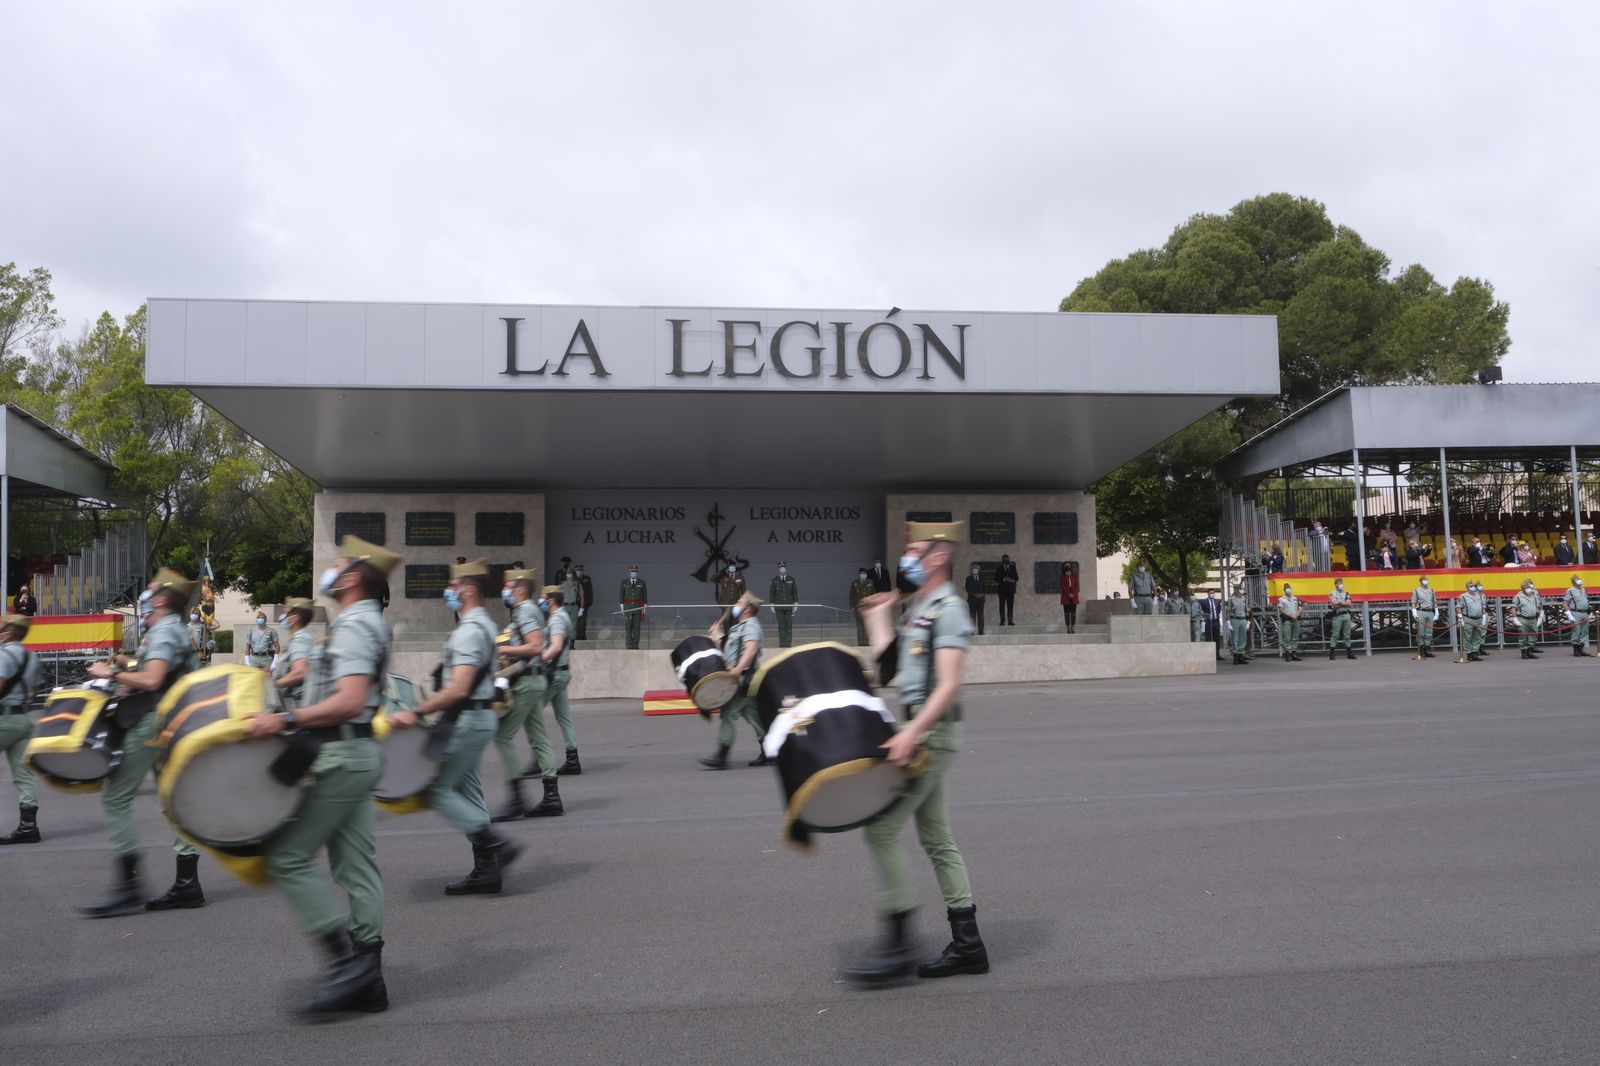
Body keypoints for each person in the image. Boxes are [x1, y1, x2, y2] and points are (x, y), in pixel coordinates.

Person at [243, 535, 397, 1014]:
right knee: (356, 867)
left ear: (352, 577)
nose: (330, 571)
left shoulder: (353, 626)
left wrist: (284, 720)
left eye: (338, 565)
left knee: (287, 858)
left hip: (341, 755)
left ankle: (346, 966)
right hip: (355, 752)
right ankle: (369, 978)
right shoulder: (369, 621)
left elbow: (350, 700)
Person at [847, 521, 988, 984]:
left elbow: (947, 686)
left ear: (938, 557)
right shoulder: (920, 609)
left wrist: (912, 735)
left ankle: (899, 946)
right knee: (937, 838)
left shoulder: (950, 610)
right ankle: (968, 945)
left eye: (915, 551)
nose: (906, 559)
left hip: (931, 733)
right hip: (919, 727)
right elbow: (892, 668)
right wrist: (877, 617)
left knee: (881, 828)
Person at [391, 559, 522, 896]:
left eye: (453, 585)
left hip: (465, 718)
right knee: (469, 791)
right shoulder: (485, 625)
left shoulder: (469, 631)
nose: (447, 591)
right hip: (475, 716)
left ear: (469, 589)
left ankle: (496, 844)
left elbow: (459, 688)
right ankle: (487, 871)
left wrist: (416, 711)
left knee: (435, 789)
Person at [80, 568, 206, 917]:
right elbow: (158, 671)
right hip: (171, 720)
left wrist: (111, 672)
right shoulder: (169, 629)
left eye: (150, 590)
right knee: (174, 799)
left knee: (116, 796)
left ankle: (128, 885)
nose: (144, 595)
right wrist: (129, 663)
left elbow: (152, 680)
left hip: (153, 720)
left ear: (162, 598)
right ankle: (187, 883)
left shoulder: (164, 630)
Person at [492, 569, 562, 819]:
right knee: (539, 737)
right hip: (533, 679)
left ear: (520, 589)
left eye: (508, 586)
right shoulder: (527, 610)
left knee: (502, 736)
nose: (505, 590)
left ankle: (517, 799)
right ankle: (552, 798)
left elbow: (535, 646)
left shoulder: (524, 610)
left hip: (527, 681)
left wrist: (501, 649)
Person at [700, 592, 766, 769]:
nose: (736, 605)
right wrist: (718, 635)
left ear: (748, 608)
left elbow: (751, 649)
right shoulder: (740, 627)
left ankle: (721, 757)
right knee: (752, 715)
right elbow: (733, 650)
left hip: (743, 679)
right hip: (742, 679)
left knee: (728, 714)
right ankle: (770, 750)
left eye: (739, 602)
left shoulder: (751, 625)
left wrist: (737, 670)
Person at [0, 614, 43, 845]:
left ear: (8, 632)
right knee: (24, 774)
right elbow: (35, 689)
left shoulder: (3, 655)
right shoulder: (31, 656)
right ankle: (28, 827)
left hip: (4, 719)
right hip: (24, 719)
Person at [535, 584, 582, 776]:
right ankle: (572, 759)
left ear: (550, 600)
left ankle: (539, 759)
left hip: (554, 674)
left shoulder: (557, 619)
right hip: (560, 673)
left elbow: (555, 646)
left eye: (542, 597)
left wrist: (540, 658)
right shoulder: (561, 616)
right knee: (564, 717)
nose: (540, 601)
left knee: (533, 715)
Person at [272, 598, 317, 709]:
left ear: (294, 618)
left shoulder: (300, 639)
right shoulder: (301, 638)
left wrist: (274, 685)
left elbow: (300, 672)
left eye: (286, 614)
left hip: (300, 704)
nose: (283, 618)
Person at [769, 562, 798, 648]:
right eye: (780, 568)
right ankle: (782, 643)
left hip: (788, 606)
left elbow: (794, 592)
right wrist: (771, 604)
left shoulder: (791, 579)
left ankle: (788, 644)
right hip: (779, 607)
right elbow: (772, 593)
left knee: (789, 626)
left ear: (786, 568)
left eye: (784, 567)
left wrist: (796, 603)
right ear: (778, 569)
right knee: (781, 626)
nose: (782, 569)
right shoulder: (774, 580)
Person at [619, 564, 648, 649]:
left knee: (636, 627)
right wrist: (622, 609)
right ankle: (628, 644)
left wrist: (644, 609)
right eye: (632, 571)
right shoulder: (624, 582)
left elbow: (644, 597)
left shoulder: (642, 582)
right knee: (628, 627)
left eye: (635, 571)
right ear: (629, 572)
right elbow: (621, 597)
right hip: (627, 607)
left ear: (637, 572)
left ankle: (635, 645)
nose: (634, 573)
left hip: (638, 607)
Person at [1512, 578, 1542, 659]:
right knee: (1523, 636)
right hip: (1523, 618)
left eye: (1530, 588)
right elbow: (1513, 608)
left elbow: (1539, 606)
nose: (1529, 589)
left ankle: (1530, 651)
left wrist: (1540, 617)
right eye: (1527, 588)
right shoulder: (1518, 597)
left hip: (1533, 619)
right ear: (1523, 589)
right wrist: (1515, 619)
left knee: (1534, 635)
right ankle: (1524, 652)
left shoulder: (1535, 596)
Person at [1562, 575, 1591, 657]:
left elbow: (1586, 600)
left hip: (1585, 613)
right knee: (1576, 631)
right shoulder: (1570, 591)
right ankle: (1576, 650)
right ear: (1573, 582)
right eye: (1577, 580)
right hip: (1576, 613)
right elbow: (1565, 603)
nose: (1579, 581)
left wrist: (1589, 607)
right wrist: (1569, 614)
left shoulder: (1584, 590)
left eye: (1579, 579)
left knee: (1584, 631)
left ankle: (1581, 649)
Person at [1459, 580, 1488, 662]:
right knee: (1468, 637)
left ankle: (1475, 653)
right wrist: (1460, 617)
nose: (1473, 587)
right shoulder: (1463, 596)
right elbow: (1458, 607)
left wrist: (1483, 616)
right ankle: (1469, 654)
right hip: (1468, 619)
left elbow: (1483, 607)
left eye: (1473, 586)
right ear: (1467, 587)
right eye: (1471, 586)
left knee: (1477, 636)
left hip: (1478, 619)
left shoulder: (1479, 596)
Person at [1327, 577, 1355, 660]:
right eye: (1339, 583)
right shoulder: (1332, 593)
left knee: (1347, 635)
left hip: (1346, 615)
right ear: (1335, 584)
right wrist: (1343, 603)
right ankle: (1332, 653)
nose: (1341, 584)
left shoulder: (1346, 593)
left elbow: (1349, 604)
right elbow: (1334, 604)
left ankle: (1349, 653)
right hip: (1337, 616)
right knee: (1335, 634)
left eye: (1341, 582)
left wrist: (1339, 602)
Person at [1410, 575, 1438, 659]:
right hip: (1421, 611)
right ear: (1421, 581)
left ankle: (1427, 649)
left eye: (1426, 579)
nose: (1426, 581)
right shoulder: (1416, 590)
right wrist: (1414, 612)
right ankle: (1421, 649)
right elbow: (1413, 602)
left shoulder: (1431, 590)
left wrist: (1436, 611)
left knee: (1429, 632)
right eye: (1424, 580)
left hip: (1430, 611)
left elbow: (1434, 601)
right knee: (1421, 632)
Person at [1225, 584, 1250, 665]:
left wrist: (1248, 621)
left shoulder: (1244, 599)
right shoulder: (1231, 599)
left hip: (1243, 619)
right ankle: (1235, 657)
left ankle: (1241, 657)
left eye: (1239, 589)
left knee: (1243, 638)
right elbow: (1228, 611)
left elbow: (1247, 610)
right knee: (1235, 638)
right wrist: (1228, 622)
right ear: (1234, 590)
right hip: (1235, 619)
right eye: (1236, 589)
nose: (1238, 591)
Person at [1277, 584, 1303, 661]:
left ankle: (1293, 654)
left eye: (1289, 588)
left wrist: (1297, 615)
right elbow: (1281, 610)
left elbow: (1300, 608)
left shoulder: (1295, 598)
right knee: (1287, 638)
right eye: (1286, 588)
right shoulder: (1281, 599)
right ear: (1284, 590)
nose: (1288, 589)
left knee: (1295, 637)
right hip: (1287, 620)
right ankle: (1288, 653)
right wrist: (1291, 616)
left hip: (1296, 620)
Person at [850, 568, 876, 645]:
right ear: (859, 574)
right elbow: (851, 596)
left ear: (866, 575)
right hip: (859, 608)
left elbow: (873, 594)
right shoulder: (855, 583)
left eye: (864, 573)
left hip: (868, 608)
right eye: (862, 573)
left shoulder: (870, 582)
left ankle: (867, 642)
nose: (863, 575)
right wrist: (852, 606)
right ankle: (860, 642)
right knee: (860, 626)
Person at [994, 555, 1019, 625]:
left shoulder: (1012, 567)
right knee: (1002, 605)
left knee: (1010, 605)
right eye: (1004, 560)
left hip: (1010, 590)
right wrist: (1003, 579)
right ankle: (1002, 621)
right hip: (1001, 590)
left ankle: (1010, 621)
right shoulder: (999, 568)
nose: (1006, 561)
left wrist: (1012, 580)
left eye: (1007, 560)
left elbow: (1017, 578)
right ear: (1002, 560)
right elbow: (996, 578)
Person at [563, 565, 584, 644]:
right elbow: (559, 596)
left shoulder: (577, 584)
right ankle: (565, 643)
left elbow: (582, 596)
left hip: (574, 606)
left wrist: (581, 608)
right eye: (568, 573)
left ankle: (572, 643)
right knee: (564, 625)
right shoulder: (562, 584)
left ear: (573, 574)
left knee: (573, 625)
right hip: (564, 606)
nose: (569, 574)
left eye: (571, 573)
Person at [573, 564, 594, 640]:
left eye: (581, 570)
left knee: (583, 620)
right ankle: (576, 635)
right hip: (574, 603)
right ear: (575, 570)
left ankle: (582, 635)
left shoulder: (587, 578)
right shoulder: (572, 578)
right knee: (575, 620)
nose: (579, 571)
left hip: (584, 603)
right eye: (578, 570)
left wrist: (590, 601)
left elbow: (590, 590)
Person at [963, 563, 986, 636]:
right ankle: (972, 631)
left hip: (981, 600)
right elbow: (967, 588)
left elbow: (985, 588)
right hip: (972, 600)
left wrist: (982, 594)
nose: (975, 569)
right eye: (973, 568)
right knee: (972, 616)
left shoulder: (982, 578)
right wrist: (974, 594)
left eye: (976, 568)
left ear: (978, 569)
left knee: (980, 616)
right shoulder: (968, 578)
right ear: (971, 570)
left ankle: (981, 631)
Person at [1202, 590, 1225, 660]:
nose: (1211, 594)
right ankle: (1209, 655)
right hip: (1208, 621)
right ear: (1207, 593)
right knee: (1208, 638)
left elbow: (1219, 610)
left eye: (1213, 593)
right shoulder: (1204, 602)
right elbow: (1203, 611)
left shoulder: (1217, 601)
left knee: (1217, 638)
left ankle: (1217, 655)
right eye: (1210, 593)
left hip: (1216, 621)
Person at [1059, 563, 1078, 633]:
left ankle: (1073, 628)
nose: (1067, 567)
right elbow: (1062, 586)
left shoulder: (1075, 576)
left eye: (1068, 566)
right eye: (1066, 566)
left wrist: (1073, 594)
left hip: (1074, 596)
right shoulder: (1062, 577)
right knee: (1066, 613)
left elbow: (1077, 586)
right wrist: (1068, 593)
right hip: (1065, 597)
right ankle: (1068, 628)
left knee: (1073, 613)